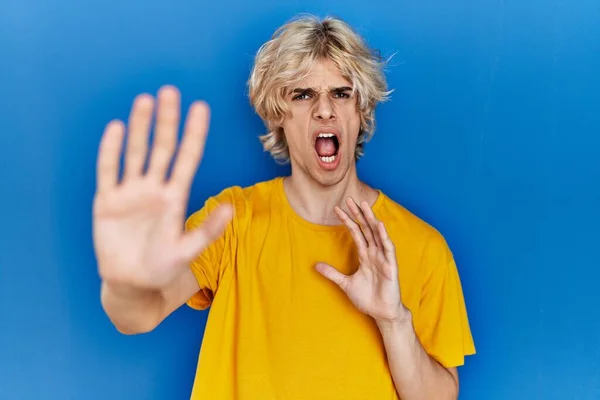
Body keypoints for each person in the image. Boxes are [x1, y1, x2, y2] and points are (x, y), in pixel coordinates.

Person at [93, 14, 476, 400]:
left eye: (341, 93)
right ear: (279, 114)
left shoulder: (424, 247)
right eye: (303, 94)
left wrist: (394, 320)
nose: (325, 110)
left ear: (361, 111)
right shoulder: (231, 221)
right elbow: (138, 315)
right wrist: (123, 282)